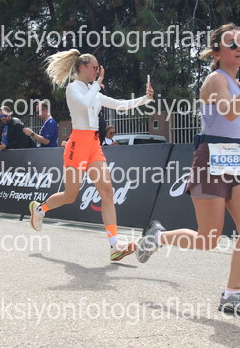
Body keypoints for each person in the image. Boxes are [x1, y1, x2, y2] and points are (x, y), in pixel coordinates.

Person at [136, 23, 240, 317]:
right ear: (216, 53)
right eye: (231, 44)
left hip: (231, 156)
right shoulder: (215, 80)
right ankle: (158, 237)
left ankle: (232, 295)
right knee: (208, 238)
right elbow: (229, 111)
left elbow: (223, 125)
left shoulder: (238, 84)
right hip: (209, 158)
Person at [28, 49, 154, 261]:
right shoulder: (73, 88)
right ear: (82, 67)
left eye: (98, 68)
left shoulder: (93, 90)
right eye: (95, 67)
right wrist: (97, 85)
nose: (97, 71)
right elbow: (85, 103)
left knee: (107, 191)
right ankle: (40, 209)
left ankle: (114, 245)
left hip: (94, 144)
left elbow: (119, 105)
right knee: (70, 196)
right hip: (77, 144)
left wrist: (145, 99)